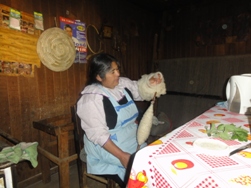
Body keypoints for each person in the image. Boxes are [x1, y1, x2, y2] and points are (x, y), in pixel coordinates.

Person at [77, 53, 166, 187]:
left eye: (117, 69)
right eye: (112, 71)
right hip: (108, 147)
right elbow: (98, 135)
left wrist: (150, 82)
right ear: (99, 77)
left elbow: (140, 90)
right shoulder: (91, 99)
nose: (118, 73)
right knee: (140, 177)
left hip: (130, 139)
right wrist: (123, 156)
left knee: (154, 164)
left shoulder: (121, 85)